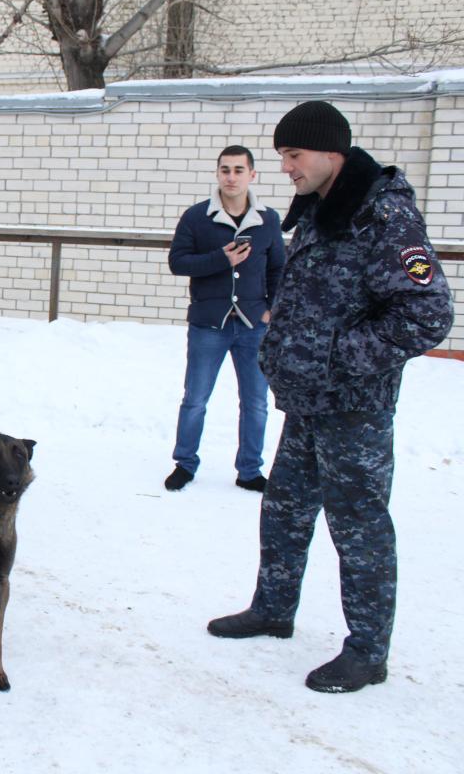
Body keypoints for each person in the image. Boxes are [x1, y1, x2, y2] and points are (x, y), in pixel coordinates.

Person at [207, 101, 454, 693]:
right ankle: (273, 608)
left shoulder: (384, 216)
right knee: (285, 510)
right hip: (309, 402)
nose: (286, 168)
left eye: (292, 155)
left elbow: (428, 313)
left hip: (354, 409)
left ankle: (367, 651)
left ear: (328, 152)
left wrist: (337, 357)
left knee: (359, 527)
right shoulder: (322, 210)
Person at [164, 145, 284, 493]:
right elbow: (178, 262)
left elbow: (278, 267)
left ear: (252, 175)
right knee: (195, 399)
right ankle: (184, 464)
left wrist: (269, 308)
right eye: (225, 170)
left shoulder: (268, 219)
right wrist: (220, 259)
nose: (231, 177)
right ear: (218, 173)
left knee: (256, 403)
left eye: (238, 170)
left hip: (253, 325)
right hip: (208, 323)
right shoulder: (196, 217)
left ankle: (249, 470)